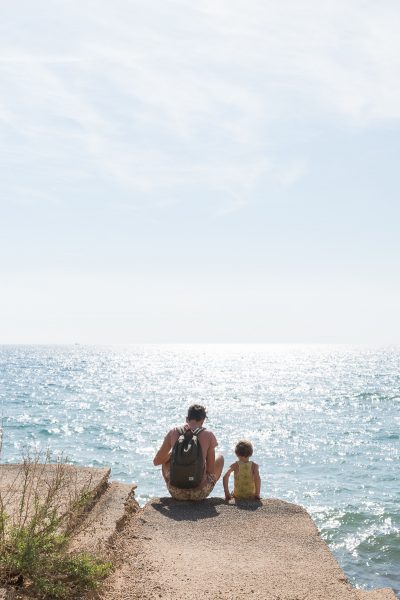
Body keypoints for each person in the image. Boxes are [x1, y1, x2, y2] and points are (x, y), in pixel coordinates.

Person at [153, 404, 224, 501]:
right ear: (203, 421)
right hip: (199, 493)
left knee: (165, 461)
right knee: (219, 458)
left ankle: (176, 485)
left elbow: (156, 461)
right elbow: (211, 471)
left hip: (176, 493)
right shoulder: (209, 435)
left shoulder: (174, 431)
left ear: (187, 418)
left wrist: (173, 454)